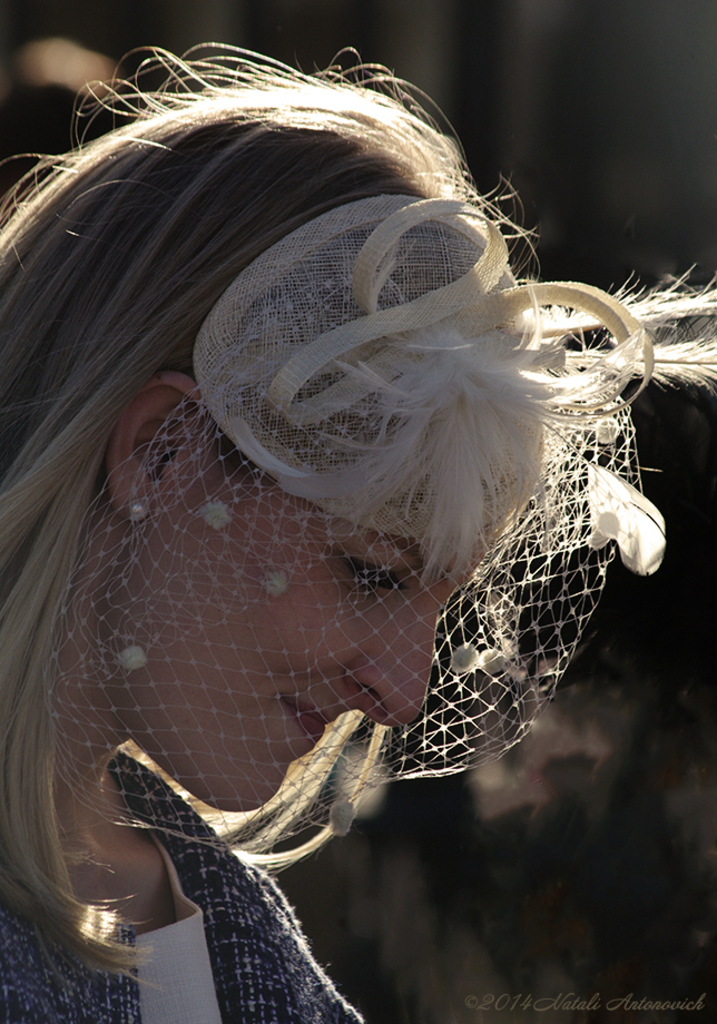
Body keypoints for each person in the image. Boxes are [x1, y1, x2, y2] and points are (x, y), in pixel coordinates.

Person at [0, 45, 711, 1024]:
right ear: (160, 448)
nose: (404, 691)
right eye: (372, 572)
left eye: (440, 603)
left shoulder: (205, 917)